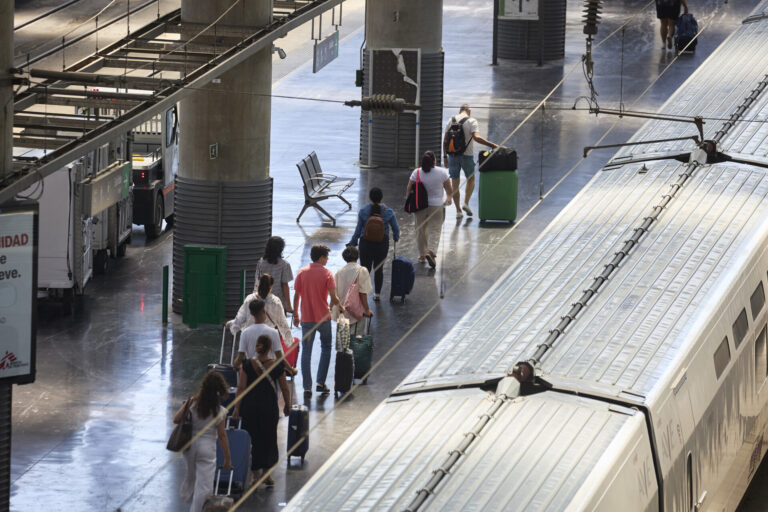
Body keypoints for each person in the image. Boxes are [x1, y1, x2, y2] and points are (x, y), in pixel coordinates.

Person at [232, 335, 291, 487]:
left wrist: (236, 408)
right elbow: (284, 387)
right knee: (269, 439)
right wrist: (287, 405)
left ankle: (254, 476)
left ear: (257, 346)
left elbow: (241, 388)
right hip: (268, 408)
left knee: (254, 441)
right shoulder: (277, 365)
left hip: (249, 408)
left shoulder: (246, 364)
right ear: (270, 348)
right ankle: (266, 473)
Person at [175, 371, 232, 512]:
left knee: (192, 478)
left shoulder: (193, 403)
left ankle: (189, 498)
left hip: (189, 447)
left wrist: (188, 405)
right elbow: (222, 436)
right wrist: (228, 459)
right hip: (207, 449)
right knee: (205, 487)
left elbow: (176, 419)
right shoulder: (220, 411)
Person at [292, 244, 345, 395]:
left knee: (306, 352)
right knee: (326, 347)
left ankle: (307, 387)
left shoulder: (302, 272)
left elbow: (297, 295)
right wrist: (341, 307)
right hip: (323, 318)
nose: (328, 260)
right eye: (327, 257)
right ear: (321, 258)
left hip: (307, 318)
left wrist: (296, 314)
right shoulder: (327, 273)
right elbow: (334, 298)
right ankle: (320, 382)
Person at [442, 104, 497, 218]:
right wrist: (492, 145)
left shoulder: (450, 120)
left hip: (452, 155)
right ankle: (466, 203)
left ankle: (458, 211)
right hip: (467, 155)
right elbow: (476, 138)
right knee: (471, 178)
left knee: (455, 182)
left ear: (460, 110)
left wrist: (445, 157)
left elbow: (445, 140)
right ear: (468, 110)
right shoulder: (472, 121)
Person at [348, 187, 400, 300]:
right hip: (381, 244)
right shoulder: (389, 211)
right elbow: (396, 229)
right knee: (378, 269)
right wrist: (396, 238)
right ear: (381, 197)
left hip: (365, 243)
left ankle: (363, 294)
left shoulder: (363, 210)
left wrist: (353, 242)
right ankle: (377, 295)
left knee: (364, 269)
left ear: (370, 198)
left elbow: (358, 230)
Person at [406, 151, 453, 268]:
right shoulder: (442, 172)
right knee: (435, 230)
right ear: (434, 161)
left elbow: (409, 188)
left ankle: (422, 255)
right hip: (437, 205)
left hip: (419, 206)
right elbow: (449, 188)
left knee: (420, 230)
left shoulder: (416, 173)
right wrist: (449, 198)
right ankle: (431, 252)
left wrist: (409, 201)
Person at [233, 298, 283, 372]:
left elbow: (240, 357)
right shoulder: (274, 332)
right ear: (264, 311)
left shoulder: (245, 333)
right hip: (269, 372)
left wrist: (234, 365)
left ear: (251, 313)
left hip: (251, 373)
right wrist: (291, 370)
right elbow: (280, 357)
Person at [333, 246, 374, 335]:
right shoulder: (362, 270)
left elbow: (334, 293)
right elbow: (363, 293)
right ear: (357, 256)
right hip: (357, 311)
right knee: (357, 341)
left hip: (342, 310)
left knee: (343, 342)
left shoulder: (339, 272)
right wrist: (367, 310)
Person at [255, 236, 294, 313]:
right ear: (281, 249)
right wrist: (288, 305)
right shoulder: (284, 264)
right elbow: (285, 285)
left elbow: (258, 281)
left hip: (262, 301)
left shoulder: (261, 262)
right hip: (278, 302)